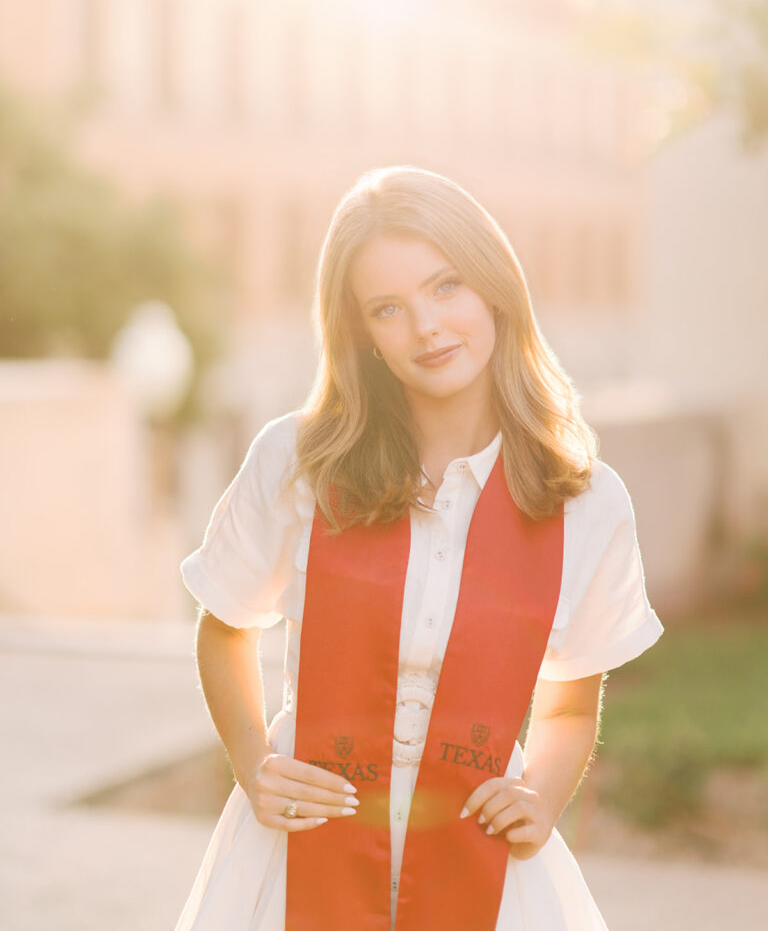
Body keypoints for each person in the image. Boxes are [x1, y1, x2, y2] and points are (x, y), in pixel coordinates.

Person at [174, 165, 664, 930]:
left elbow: (570, 702)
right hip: (301, 850)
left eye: (446, 287)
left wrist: (541, 794)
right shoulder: (299, 462)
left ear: (494, 285)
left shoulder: (586, 502)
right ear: (361, 332)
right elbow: (226, 624)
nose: (427, 328)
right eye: (388, 308)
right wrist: (252, 760)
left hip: (481, 858)